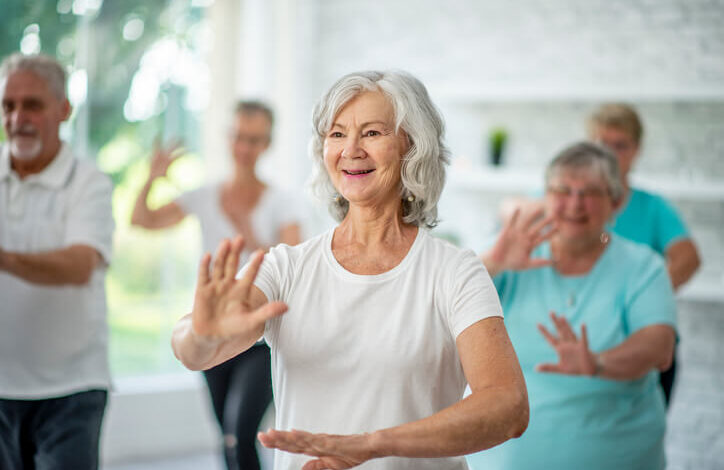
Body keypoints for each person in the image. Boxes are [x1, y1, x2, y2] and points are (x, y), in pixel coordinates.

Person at [171, 70, 529, 470]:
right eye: (337, 134)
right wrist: (201, 334)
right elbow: (191, 349)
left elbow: (508, 406)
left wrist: (372, 445)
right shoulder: (286, 267)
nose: (351, 149)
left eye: (373, 133)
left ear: (413, 146)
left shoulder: (455, 271)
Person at [467, 142, 677, 470]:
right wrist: (495, 261)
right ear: (544, 196)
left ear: (616, 202)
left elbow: (659, 346)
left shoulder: (643, 267)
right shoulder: (509, 255)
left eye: (590, 192)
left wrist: (596, 363)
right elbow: (441, 303)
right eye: (563, 190)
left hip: (619, 454)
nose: (575, 204)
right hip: (504, 456)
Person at [131, 100, 301, 470]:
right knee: (226, 437)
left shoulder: (282, 202)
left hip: (261, 338)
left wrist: (247, 230)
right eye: (239, 137)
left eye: (254, 140)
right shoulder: (204, 196)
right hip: (213, 332)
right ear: (228, 139)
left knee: (242, 434)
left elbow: (295, 263)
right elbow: (141, 220)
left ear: (267, 144)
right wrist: (152, 176)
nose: (245, 148)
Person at [0, 54, 114, 469]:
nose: (17, 118)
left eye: (32, 105)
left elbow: (80, 264)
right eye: (8, 106)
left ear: (63, 109)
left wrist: (4, 258)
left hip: (72, 390)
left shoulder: (89, 182)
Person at [587, 103, 700, 404]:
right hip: (588, 346)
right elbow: (517, 210)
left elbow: (688, 258)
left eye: (620, 145)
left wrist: (646, 295)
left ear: (636, 150)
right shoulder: (569, 203)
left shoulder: (653, 207)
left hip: (644, 346)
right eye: (601, 144)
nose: (610, 154)